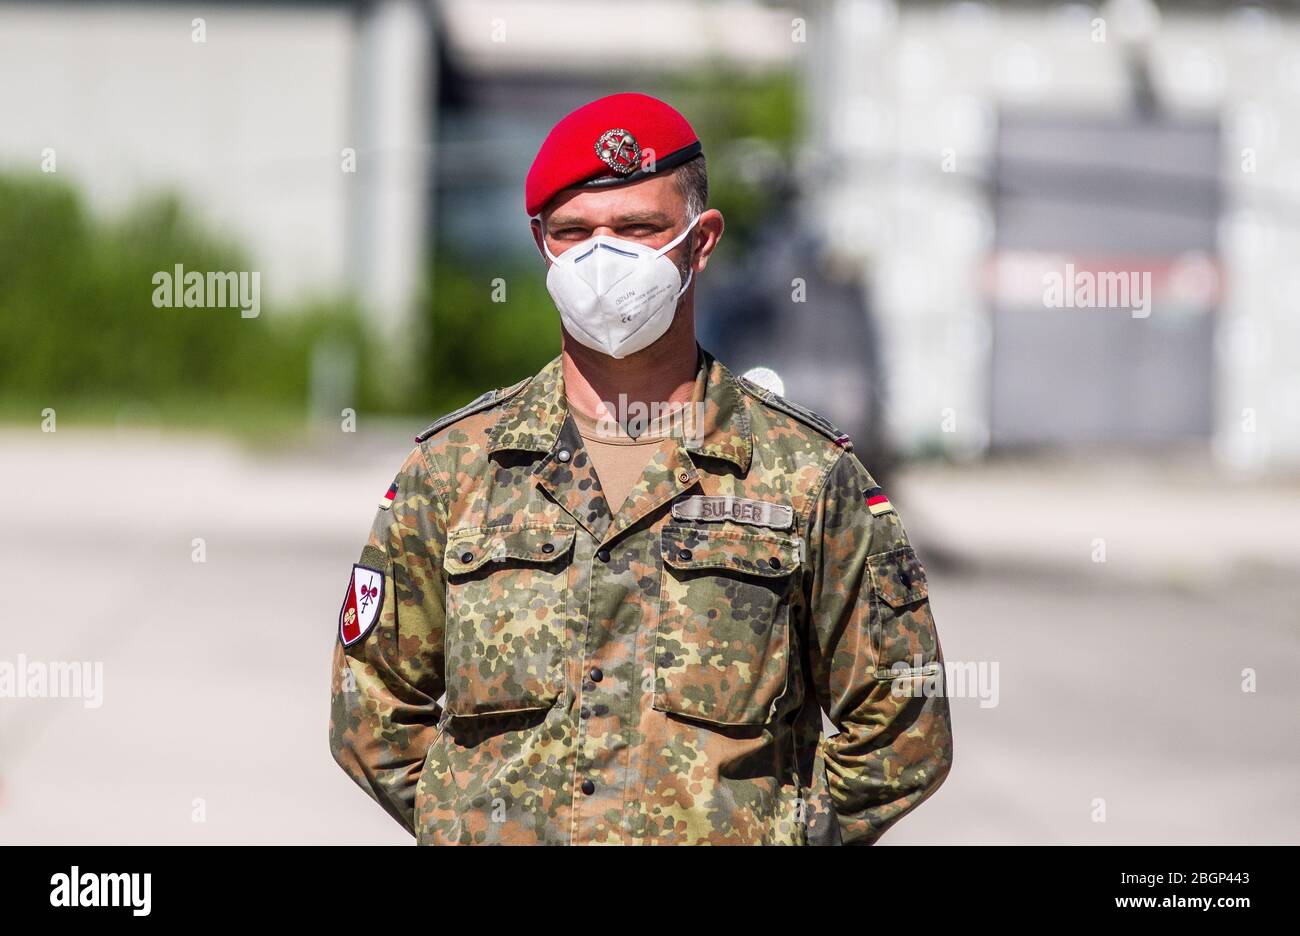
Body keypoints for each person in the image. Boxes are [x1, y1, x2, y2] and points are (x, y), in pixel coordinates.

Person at [329, 92, 952, 845]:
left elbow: (903, 725)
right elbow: (371, 711)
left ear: (700, 241)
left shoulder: (808, 477)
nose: (602, 257)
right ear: (540, 246)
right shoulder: (454, 471)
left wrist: (774, 837)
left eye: (636, 228)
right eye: (574, 232)